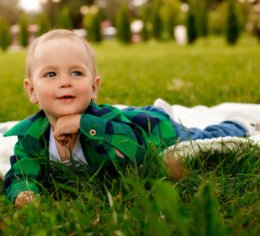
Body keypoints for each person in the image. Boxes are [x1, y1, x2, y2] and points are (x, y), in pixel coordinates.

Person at [3, 29, 259, 208]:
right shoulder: (31, 137)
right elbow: (21, 170)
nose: (65, 82)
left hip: (154, 129)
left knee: (198, 138)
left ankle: (239, 124)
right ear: (31, 90)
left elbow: (135, 152)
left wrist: (84, 124)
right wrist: (24, 193)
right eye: (50, 74)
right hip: (142, 119)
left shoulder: (105, 119)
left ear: (94, 87)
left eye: (76, 73)